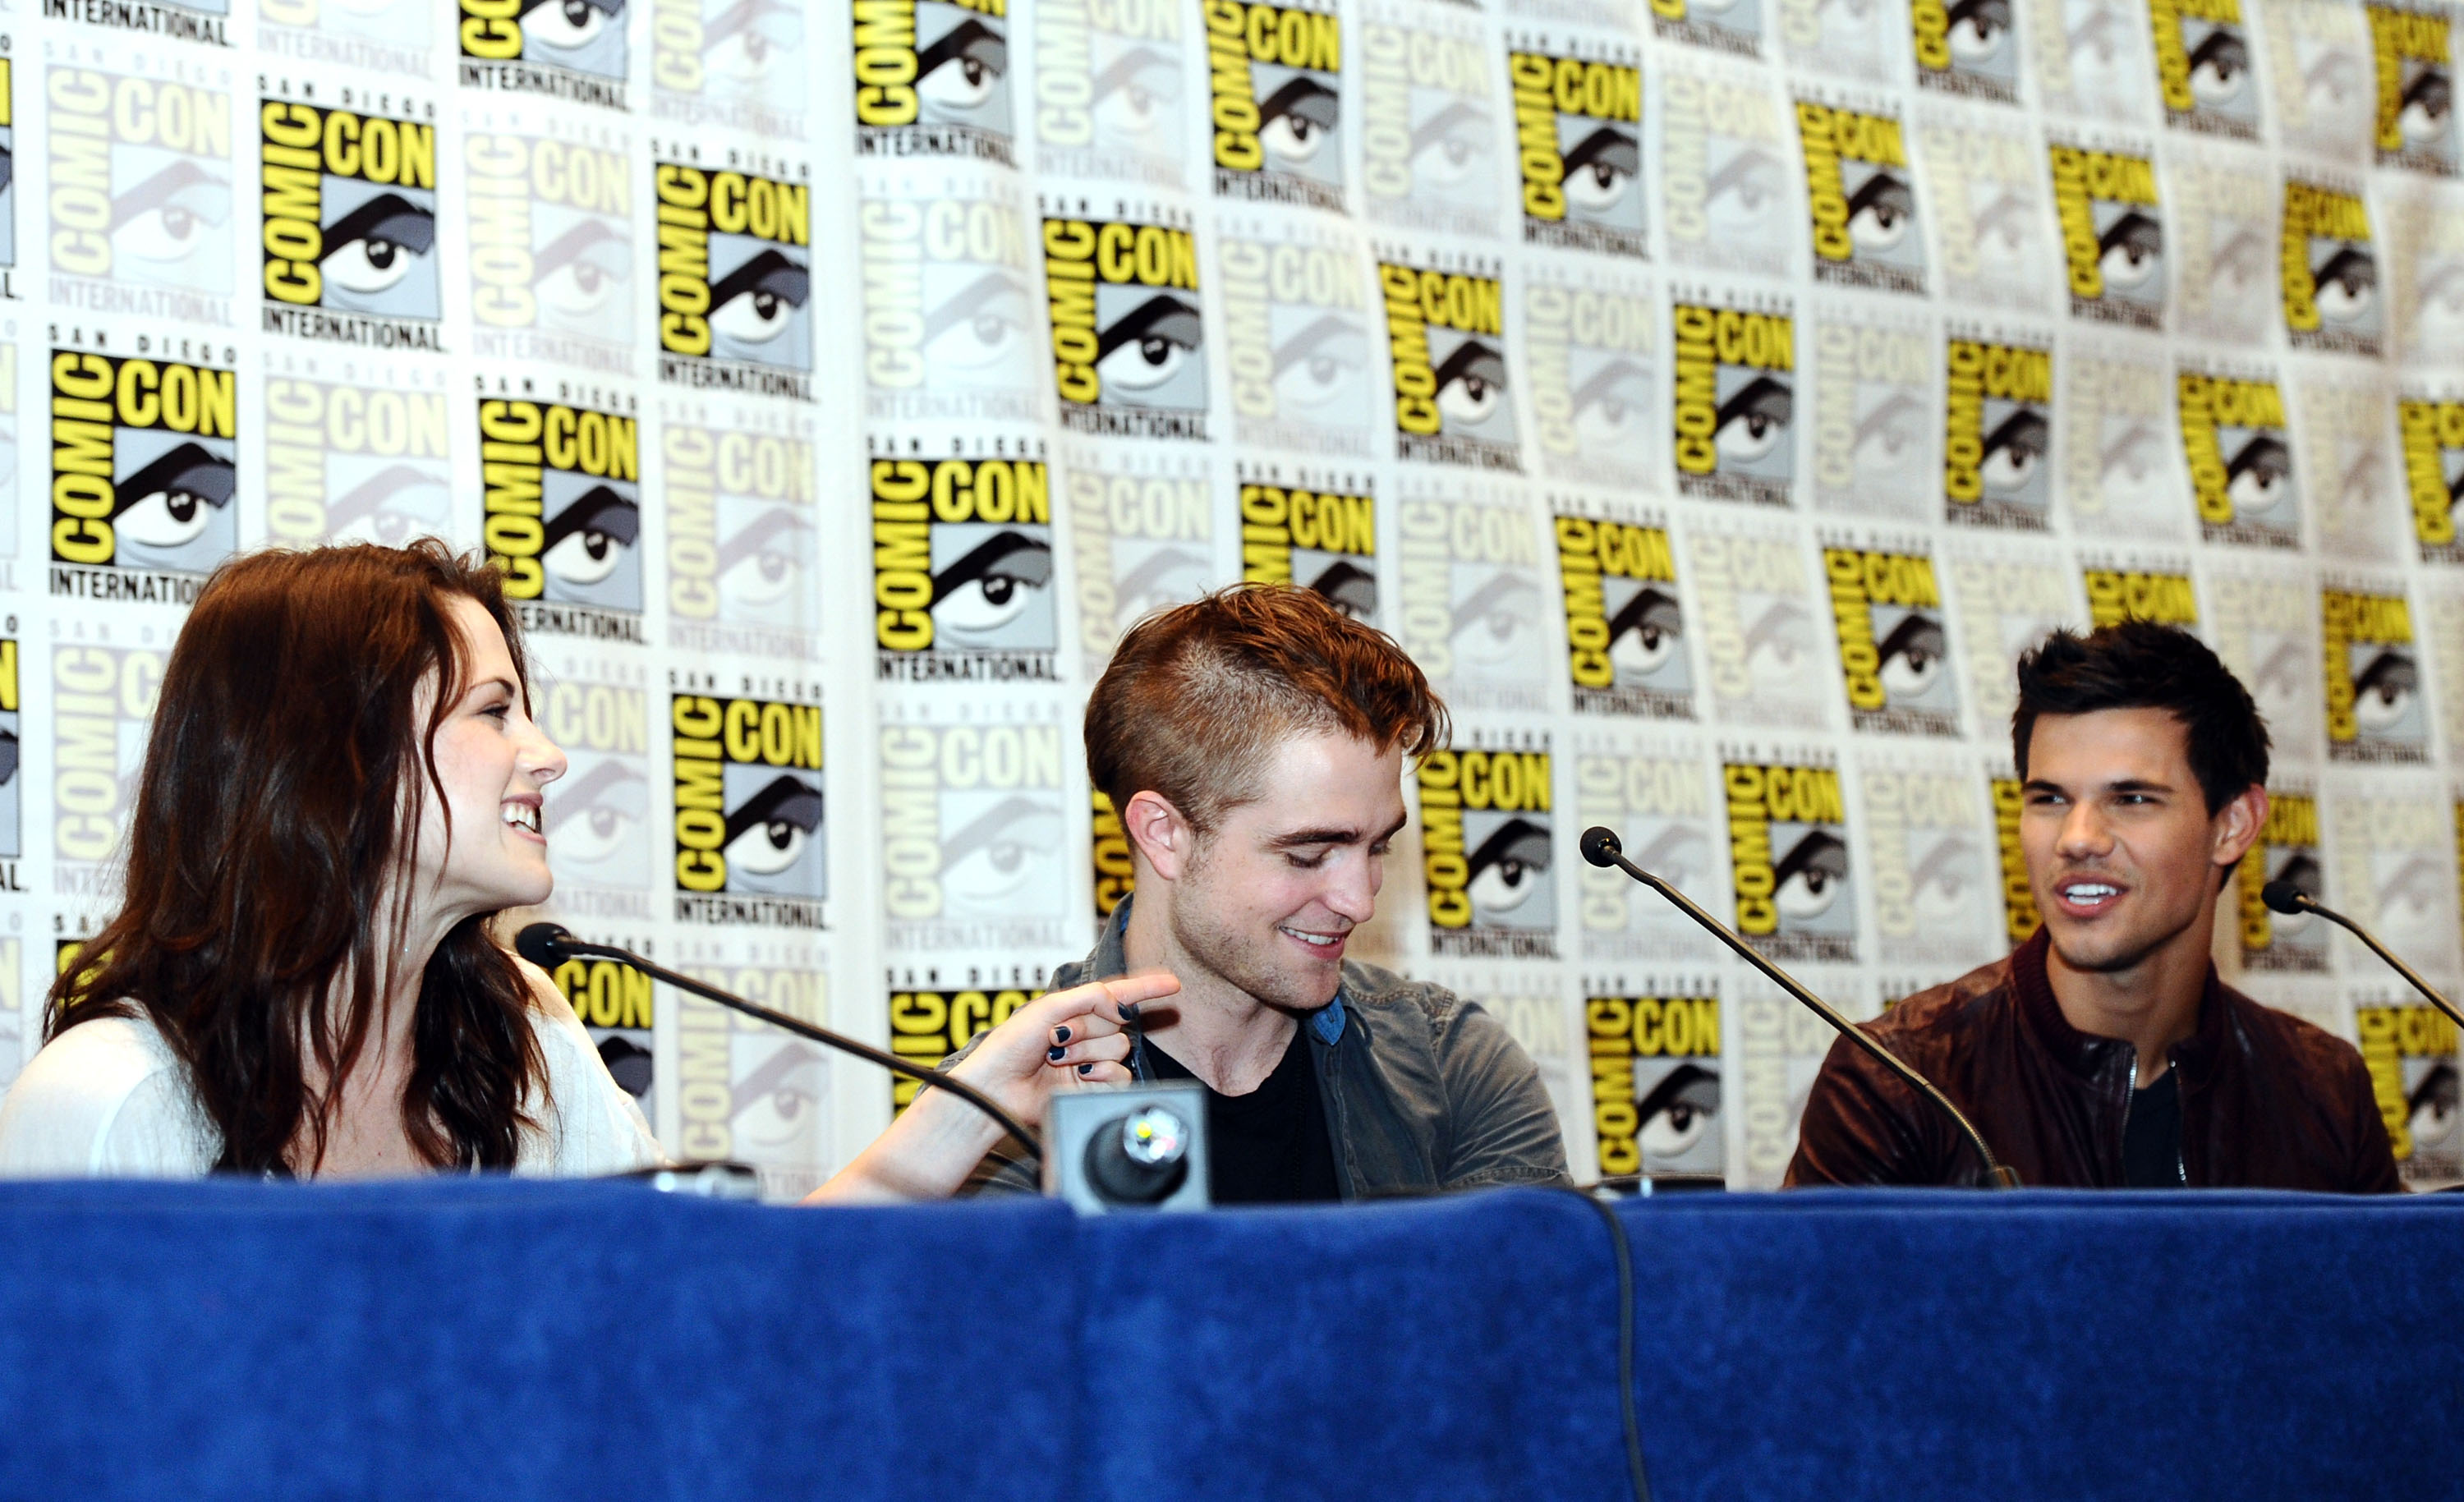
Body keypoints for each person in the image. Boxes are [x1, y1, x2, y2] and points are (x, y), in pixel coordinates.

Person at [0, 542, 1164, 1194]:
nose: (548, 755)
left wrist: (975, 1104)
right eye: (493, 710)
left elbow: (705, 1304)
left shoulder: (521, 1034)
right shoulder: (111, 1102)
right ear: (332, 755)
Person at [949, 583, 1570, 1202]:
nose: (1360, 902)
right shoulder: (1003, 1115)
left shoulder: (1452, 1065)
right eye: (1308, 855)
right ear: (1164, 833)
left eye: (1378, 847)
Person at [1787, 621, 2399, 1191]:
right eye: (2049, 799)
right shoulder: (1899, 1082)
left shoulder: (2325, 1091)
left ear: (2233, 825)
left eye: (2131, 799)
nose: (2077, 838)